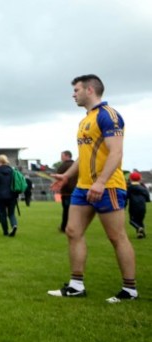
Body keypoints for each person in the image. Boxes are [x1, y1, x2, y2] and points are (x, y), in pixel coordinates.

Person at [48, 74, 138, 303]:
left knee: (116, 237)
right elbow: (82, 156)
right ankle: (76, 285)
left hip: (107, 186)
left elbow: (116, 152)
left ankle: (129, 289)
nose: (73, 94)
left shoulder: (109, 116)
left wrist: (100, 182)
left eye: (76, 90)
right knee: (72, 231)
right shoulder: (86, 120)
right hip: (83, 187)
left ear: (89, 90)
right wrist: (67, 176)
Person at [0, 154, 19, 237]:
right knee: (11, 213)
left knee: (3, 214)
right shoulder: (12, 170)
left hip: (1, 195)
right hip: (12, 195)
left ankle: (5, 232)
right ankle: (14, 225)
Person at [55, 150, 78, 232]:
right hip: (77, 191)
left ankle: (64, 227)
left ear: (67, 156)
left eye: (62, 155)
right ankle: (75, 227)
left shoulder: (63, 166)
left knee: (66, 210)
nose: (61, 157)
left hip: (67, 192)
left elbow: (58, 177)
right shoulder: (76, 164)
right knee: (75, 211)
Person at [126, 172, 149, 238]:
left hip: (133, 206)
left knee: (131, 221)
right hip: (142, 206)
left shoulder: (129, 187)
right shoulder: (143, 187)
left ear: (130, 178)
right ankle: (141, 234)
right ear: (140, 178)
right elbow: (147, 198)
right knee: (140, 220)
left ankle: (139, 228)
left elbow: (126, 196)